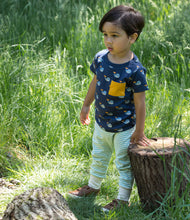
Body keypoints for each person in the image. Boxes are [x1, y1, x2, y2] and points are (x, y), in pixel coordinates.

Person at [68, 5, 150, 212]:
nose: (108, 40)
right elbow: (95, 81)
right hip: (101, 122)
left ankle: (122, 199)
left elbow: (140, 103)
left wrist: (139, 131)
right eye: (105, 34)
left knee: (123, 163)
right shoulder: (101, 58)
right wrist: (86, 105)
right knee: (99, 155)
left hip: (124, 127)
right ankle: (93, 186)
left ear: (132, 37)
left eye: (115, 35)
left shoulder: (135, 70)